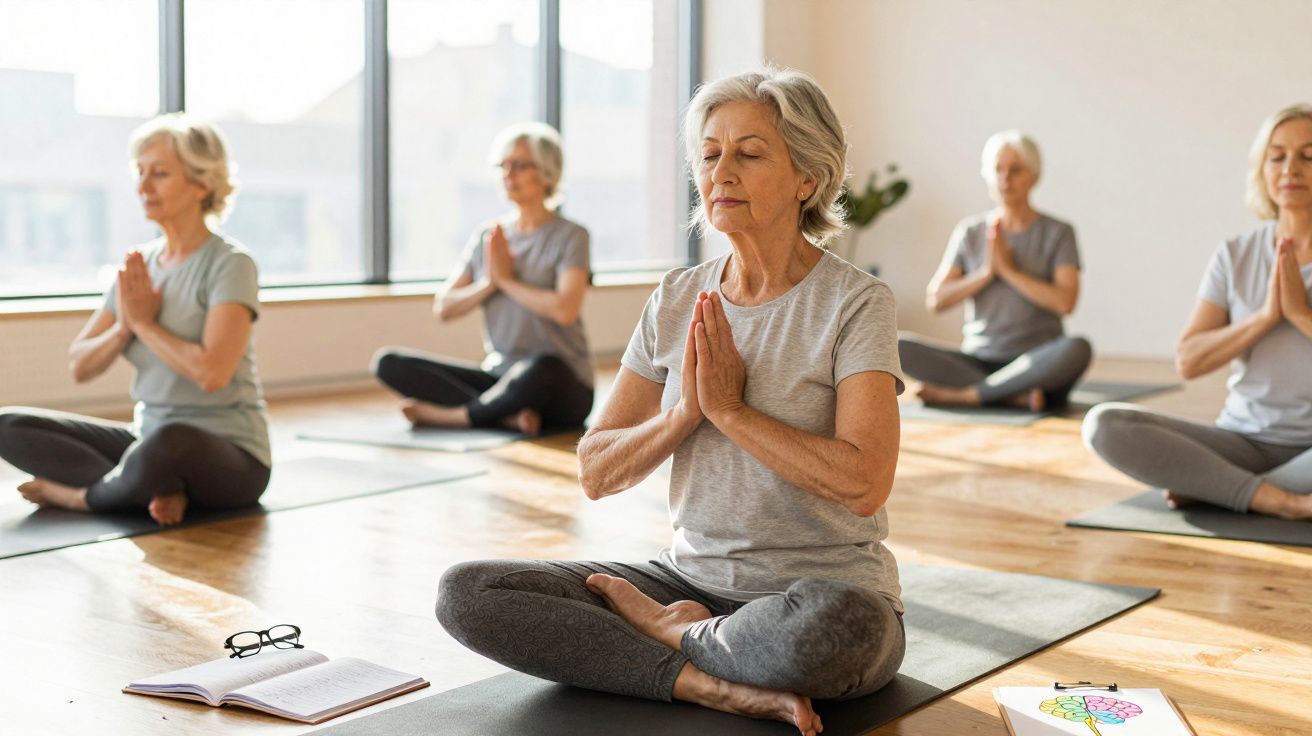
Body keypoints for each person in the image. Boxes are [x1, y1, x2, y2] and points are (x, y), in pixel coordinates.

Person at [435, 68, 905, 736]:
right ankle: (707, 678)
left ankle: (673, 642)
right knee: (469, 593)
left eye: (748, 153)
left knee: (847, 632)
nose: (721, 173)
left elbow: (863, 481)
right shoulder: (679, 296)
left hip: (817, 594)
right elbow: (597, 469)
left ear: (808, 177)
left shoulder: (855, 302)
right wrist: (686, 412)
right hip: (687, 580)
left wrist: (733, 412)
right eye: (709, 155)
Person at [0, 114, 271, 526]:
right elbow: (81, 365)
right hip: (147, 441)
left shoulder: (231, 264)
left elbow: (212, 372)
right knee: (9, 425)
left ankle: (84, 498)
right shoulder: (138, 269)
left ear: (202, 184)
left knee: (168, 444)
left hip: (231, 456)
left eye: (160, 174)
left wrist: (146, 326)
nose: (143, 187)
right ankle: (157, 488)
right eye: (139, 173)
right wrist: (125, 326)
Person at [1084, 105, 1312, 520]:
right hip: (1242, 442)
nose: (1290, 168)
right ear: (1262, 169)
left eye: (1308, 156)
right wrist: (1263, 318)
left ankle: (1221, 486)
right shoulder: (1235, 254)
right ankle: (1277, 499)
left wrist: (1299, 315)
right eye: (1277, 156)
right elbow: (1189, 360)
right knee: (1104, 424)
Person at [371, 123, 593, 436]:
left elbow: (564, 310)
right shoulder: (488, 237)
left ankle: (457, 417)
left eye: (519, 165)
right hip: (500, 377)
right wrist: (489, 283)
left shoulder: (572, 236)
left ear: (547, 173)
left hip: (561, 386)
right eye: (503, 165)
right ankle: (504, 417)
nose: (508, 174)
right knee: (389, 363)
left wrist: (507, 282)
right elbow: (444, 308)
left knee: (544, 365)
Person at [899, 131, 1091, 412]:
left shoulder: (1058, 233)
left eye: (1015, 170)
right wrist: (986, 272)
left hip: (1036, 361)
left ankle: (968, 395)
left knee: (1078, 348)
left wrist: (1010, 272)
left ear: (1034, 177)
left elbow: (1065, 302)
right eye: (997, 170)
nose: (1005, 178)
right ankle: (1008, 395)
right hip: (978, 359)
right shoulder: (970, 232)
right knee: (897, 346)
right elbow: (936, 300)